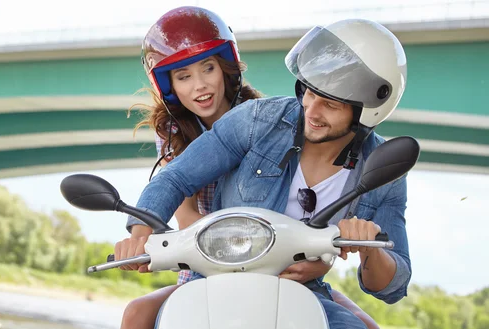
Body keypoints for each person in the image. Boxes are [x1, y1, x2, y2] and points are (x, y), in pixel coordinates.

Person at [121, 10, 391, 329]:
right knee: (137, 314)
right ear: (169, 86)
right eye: (183, 76)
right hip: (211, 259)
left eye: (207, 68)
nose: (200, 86)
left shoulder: (259, 119)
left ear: (225, 67)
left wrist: (318, 258)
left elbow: (302, 207)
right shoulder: (172, 135)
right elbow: (182, 206)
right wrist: (142, 236)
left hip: (285, 258)